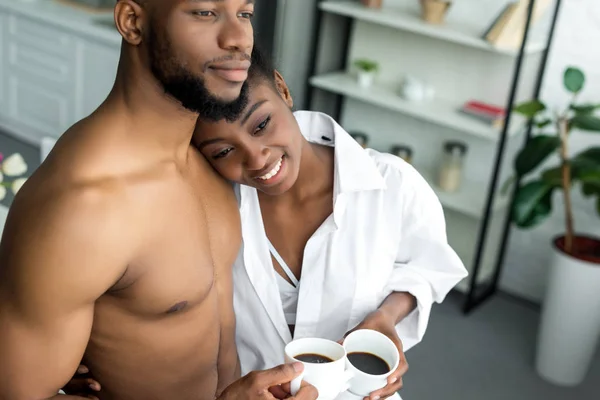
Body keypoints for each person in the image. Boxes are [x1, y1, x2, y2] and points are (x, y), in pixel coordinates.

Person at [66, 48, 468, 400]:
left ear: (282, 88)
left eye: (261, 125)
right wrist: (89, 355)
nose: (257, 159)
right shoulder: (207, 207)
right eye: (224, 150)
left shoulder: (391, 185)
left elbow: (426, 267)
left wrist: (387, 316)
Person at [0, 1, 317, 399]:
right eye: (205, 13)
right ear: (132, 22)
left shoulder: (216, 155)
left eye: (245, 13)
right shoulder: (83, 207)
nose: (238, 39)